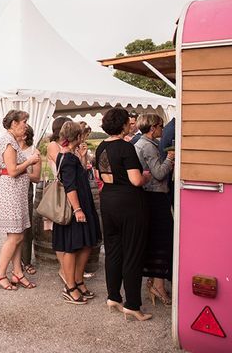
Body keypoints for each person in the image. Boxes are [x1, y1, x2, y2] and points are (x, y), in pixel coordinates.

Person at [95, 107, 152, 320]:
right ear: (122, 125)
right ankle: (133, 305)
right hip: (129, 203)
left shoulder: (101, 146)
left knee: (113, 252)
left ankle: (113, 297)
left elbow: (100, 173)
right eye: (128, 122)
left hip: (108, 200)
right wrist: (146, 176)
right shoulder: (126, 147)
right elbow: (136, 180)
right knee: (133, 254)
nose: (131, 124)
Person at [53, 121, 102, 305]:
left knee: (86, 244)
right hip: (75, 207)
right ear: (78, 137)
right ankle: (70, 286)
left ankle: (79, 281)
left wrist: (82, 158)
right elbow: (70, 187)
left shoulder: (72, 156)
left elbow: (79, 177)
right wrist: (78, 210)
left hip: (83, 204)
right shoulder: (66, 158)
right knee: (72, 247)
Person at [0, 110, 41, 290]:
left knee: (19, 235)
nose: (26, 125)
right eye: (24, 121)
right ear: (13, 123)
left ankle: (17, 273)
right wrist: (30, 161)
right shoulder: (7, 141)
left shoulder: (11, 140)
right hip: (9, 192)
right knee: (14, 236)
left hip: (17, 193)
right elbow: (12, 170)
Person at [134, 114, 175, 307]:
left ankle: (153, 282)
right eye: (160, 126)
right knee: (162, 241)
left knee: (154, 241)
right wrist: (170, 159)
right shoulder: (149, 146)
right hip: (155, 196)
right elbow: (158, 173)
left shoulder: (140, 143)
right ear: (153, 128)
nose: (162, 130)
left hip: (147, 197)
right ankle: (158, 285)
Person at [46, 116, 72, 269]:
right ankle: (64, 269)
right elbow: (63, 164)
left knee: (69, 230)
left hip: (69, 188)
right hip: (60, 191)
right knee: (59, 230)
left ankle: (70, 269)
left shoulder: (67, 145)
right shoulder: (53, 145)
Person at [18, 124, 42, 276]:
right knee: (13, 228)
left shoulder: (34, 152)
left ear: (25, 135)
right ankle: (15, 261)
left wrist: (18, 171)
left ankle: (26, 261)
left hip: (26, 192)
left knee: (26, 228)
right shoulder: (11, 149)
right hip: (11, 192)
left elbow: (36, 177)